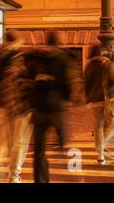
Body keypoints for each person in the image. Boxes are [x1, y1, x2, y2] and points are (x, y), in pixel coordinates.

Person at [22, 31, 72, 183]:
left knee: (39, 151)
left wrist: (29, 103)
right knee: (61, 129)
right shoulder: (62, 58)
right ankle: (62, 142)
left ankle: (40, 180)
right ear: (57, 42)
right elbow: (67, 84)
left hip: (38, 108)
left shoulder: (35, 57)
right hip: (55, 107)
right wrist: (67, 99)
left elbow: (27, 81)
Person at [0, 32, 32, 183]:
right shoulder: (20, 55)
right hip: (20, 103)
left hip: (5, 102)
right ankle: (14, 174)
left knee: (9, 139)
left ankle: (11, 169)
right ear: (17, 41)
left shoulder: (1, 57)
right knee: (20, 140)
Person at [84, 44, 114, 164]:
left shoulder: (88, 66)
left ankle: (100, 156)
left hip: (93, 101)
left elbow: (86, 84)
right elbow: (113, 81)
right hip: (106, 100)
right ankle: (104, 143)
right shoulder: (106, 63)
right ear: (100, 53)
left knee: (98, 128)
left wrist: (88, 99)